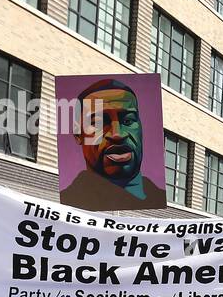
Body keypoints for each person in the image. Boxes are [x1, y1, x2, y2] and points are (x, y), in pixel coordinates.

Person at [61, 78, 167, 210]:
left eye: (128, 121)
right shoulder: (65, 203)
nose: (117, 134)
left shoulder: (158, 199)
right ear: (78, 134)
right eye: (98, 122)